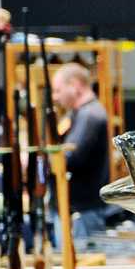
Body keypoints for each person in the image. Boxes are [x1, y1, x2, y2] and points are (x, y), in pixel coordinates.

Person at [53, 62, 112, 239]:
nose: (55, 97)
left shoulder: (90, 115)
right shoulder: (80, 114)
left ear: (75, 85)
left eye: (58, 90)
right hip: (78, 210)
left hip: (83, 212)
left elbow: (71, 157)